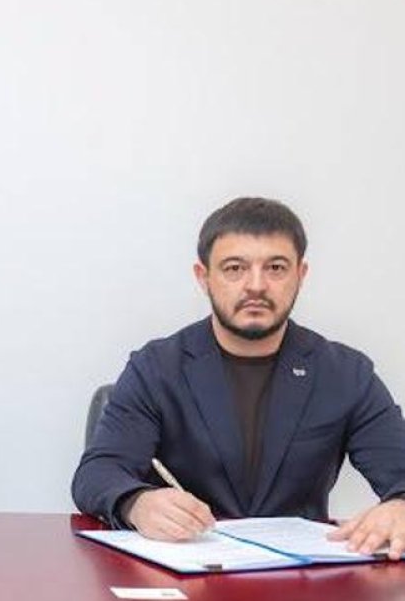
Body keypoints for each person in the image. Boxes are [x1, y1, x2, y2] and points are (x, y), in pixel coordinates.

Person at [72, 196, 405, 559]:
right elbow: (97, 473)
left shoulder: (345, 373)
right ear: (204, 277)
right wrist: (136, 503)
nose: (256, 285)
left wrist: (399, 507)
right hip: (185, 570)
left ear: (300, 275)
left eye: (276, 268)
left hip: (300, 577)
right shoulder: (156, 367)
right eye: (235, 268)